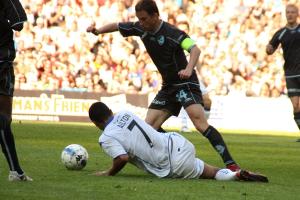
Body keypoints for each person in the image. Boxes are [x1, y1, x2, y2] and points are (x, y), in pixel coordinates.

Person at [87, 0, 240, 171]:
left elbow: (195, 50)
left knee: (199, 123)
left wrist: (189, 69)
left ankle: (231, 164)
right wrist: (98, 31)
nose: (141, 23)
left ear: (155, 15)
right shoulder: (140, 28)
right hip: (168, 87)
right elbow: (117, 25)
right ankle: (176, 151)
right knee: (149, 127)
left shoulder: (172, 33)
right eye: (139, 19)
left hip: (185, 83)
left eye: (144, 19)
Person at [88, 101, 268, 183]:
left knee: (204, 173)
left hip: (171, 164)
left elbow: (122, 158)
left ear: (96, 123)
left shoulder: (106, 137)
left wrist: (108, 173)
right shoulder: (124, 113)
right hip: (177, 141)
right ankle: (236, 175)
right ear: (111, 110)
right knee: (211, 172)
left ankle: (234, 176)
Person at [0, 0, 32, 181]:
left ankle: (16, 171)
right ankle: (16, 172)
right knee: (4, 119)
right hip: (2, 64)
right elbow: (18, 24)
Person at [266, 4, 300, 142]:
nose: (290, 14)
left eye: (292, 12)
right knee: (296, 105)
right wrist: (268, 49)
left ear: (297, 14)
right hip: (290, 73)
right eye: (288, 12)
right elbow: (270, 49)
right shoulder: (280, 33)